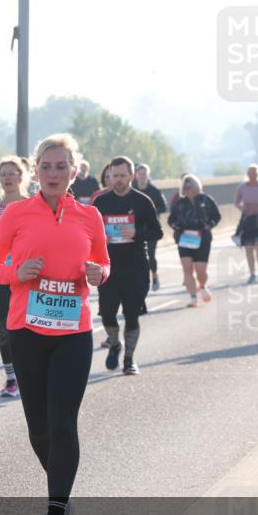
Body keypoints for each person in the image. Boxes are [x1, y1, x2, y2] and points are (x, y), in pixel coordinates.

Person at [0, 133, 110, 515]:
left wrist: (98, 274)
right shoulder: (16, 214)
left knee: (62, 422)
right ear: (34, 171)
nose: (53, 173)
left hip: (73, 334)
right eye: (46, 166)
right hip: (27, 331)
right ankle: (63, 490)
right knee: (38, 428)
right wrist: (17, 272)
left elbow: (103, 263)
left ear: (75, 171)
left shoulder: (89, 217)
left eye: (62, 166)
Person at [93, 156, 163, 375]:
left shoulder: (142, 201)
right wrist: (99, 238)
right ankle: (114, 343)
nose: (118, 180)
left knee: (132, 314)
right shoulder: (101, 203)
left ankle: (130, 359)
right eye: (114, 176)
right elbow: (89, 233)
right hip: (109, 266)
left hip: (136, 266)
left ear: (131, 176)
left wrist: (137, 233)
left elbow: (157, 232)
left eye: (123, 175)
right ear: (109, 177)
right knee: (107, 314)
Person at [0, 156, 30, 398]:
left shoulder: (33, 205)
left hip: (30, 277)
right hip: (5, 276)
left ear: (21, 176)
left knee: (30, 326)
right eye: (3, 174)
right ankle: (11, 378)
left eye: (12, 173)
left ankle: (31, 374)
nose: (8, 178)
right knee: (5, 328)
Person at [168, 175, 220, 307]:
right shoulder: (179, 203)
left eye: (190, 186)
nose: (187, 188)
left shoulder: (206, 200)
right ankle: (193, 298)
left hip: (202, 237)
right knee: (187, 268)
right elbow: (171, 219)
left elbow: (216, 215)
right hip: (184, 238)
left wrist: (210, 224)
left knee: (200, 270)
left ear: (197, 186)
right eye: (185, 186)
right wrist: (176, 227)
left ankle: (202, 286)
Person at [134, 164, 168, 292]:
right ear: (136, 175)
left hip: (150, 228)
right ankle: (139, 279)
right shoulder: (131, 189)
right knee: (136, 255)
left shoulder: (154, 191)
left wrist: (150, 212)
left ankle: (154, 276)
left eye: (144, 174)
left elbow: (164, 207)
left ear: (148, 176)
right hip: (135, 228)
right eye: (140, 174)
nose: (142, 177)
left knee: (151, 255)